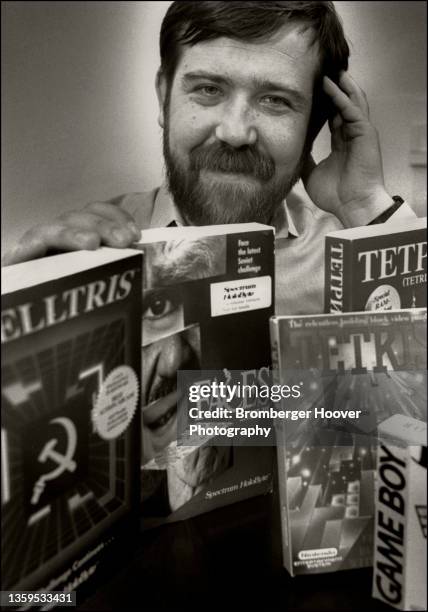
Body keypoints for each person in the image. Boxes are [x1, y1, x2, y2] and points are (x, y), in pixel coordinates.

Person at [2, 0, 416, 319]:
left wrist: (364, 206)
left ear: (313, 124)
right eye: (207, 90)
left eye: (275, 100)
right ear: (165, 97)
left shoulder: (354, 267)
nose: (235, 133)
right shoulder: (84, 256)